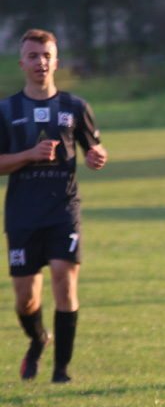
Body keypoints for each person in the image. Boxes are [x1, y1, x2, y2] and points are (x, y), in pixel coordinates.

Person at [0, 29, 108, 383]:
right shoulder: (7, 110)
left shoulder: (75, 107)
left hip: (63, 208)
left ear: (56, 62)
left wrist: (96, 157)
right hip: (22, 214)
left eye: (46, 55)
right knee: (25, 299)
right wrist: (30, 155)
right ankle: (38, 339)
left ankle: (61, 370)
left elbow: (96, 148)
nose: (40, 62)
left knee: (64, 281)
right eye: (33, 56)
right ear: (22, 64)